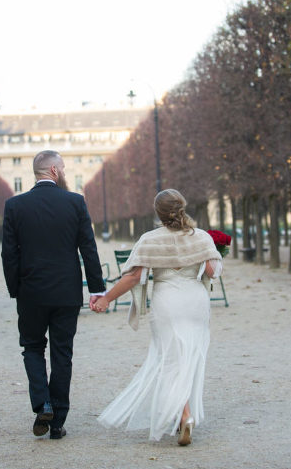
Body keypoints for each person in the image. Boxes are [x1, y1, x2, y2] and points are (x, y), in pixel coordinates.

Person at [92, 189, 222, 446]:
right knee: (188, 357)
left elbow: (132, 277)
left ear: (158, 212)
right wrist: (212, 253)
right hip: (195, 301)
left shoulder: (150, 240)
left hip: (168, 301)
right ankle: (182, 415)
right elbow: (212, 270)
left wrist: (106, 298)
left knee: (170, 359)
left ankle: (185, 416)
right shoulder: (202, 237)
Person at [1, 150, 106, 440]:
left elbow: (9, 254)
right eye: (63, 168)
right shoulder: (75, 202)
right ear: (56, 172)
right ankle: (57, 422)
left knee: (32, 348)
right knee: (63, 354)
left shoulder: (14, 206)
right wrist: (97, 288)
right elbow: (88, 249)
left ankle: (42, 403)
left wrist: (15, 289)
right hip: (66, 292)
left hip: (31, 292)